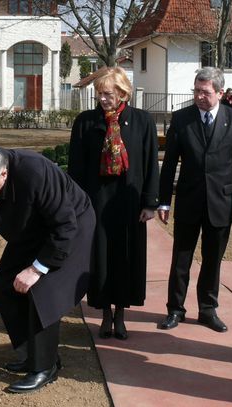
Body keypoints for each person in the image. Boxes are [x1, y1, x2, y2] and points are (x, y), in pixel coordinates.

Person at [0, 146, 95, 393]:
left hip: (70, 227)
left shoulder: (35, 171)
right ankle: (33, 355)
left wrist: (36, 270)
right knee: (3, 288)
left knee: (43, 293)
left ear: (3, 174)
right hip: (31, 230)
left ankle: (44, 368)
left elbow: (64, 226)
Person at [157, 67, 232, 333]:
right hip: (188, 200)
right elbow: (169, 164)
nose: (199, 96)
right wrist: (163, 201)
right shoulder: (181, 119)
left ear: (220, 93)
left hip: (220, 202)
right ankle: (175, 309)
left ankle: (208, 310)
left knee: (213, 260)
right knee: (181, 260)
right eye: (196, 91)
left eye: (206, 92)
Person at [68, 67, 159, 341]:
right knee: (100, 258)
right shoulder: (85, 122)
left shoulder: (142, 121)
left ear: (123, 93)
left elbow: (150, 164)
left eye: (107, 94)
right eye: (99, 94)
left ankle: (120, 314)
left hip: (129, 203)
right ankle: (105, 313)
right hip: (96, 202)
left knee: (125, 258)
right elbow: (76, 167)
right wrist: (77, 205)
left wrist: (150, 203)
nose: (102, 99)